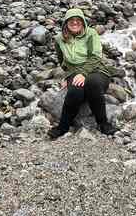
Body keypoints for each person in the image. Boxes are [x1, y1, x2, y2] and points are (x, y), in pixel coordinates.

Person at [48, 8, 117, 138]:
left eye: (78, 20)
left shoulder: (91, 33)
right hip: (75, 72)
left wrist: (83, 73)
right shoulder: (59, 39)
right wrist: (67, 76)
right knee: (75, 91)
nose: (75, 23)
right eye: (71, 20)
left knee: (93, 83)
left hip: (97, 70)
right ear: (65, 23)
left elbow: (96, 57)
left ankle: (103, 124)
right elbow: (62, 61)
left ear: (83, 22)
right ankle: (62, 127)